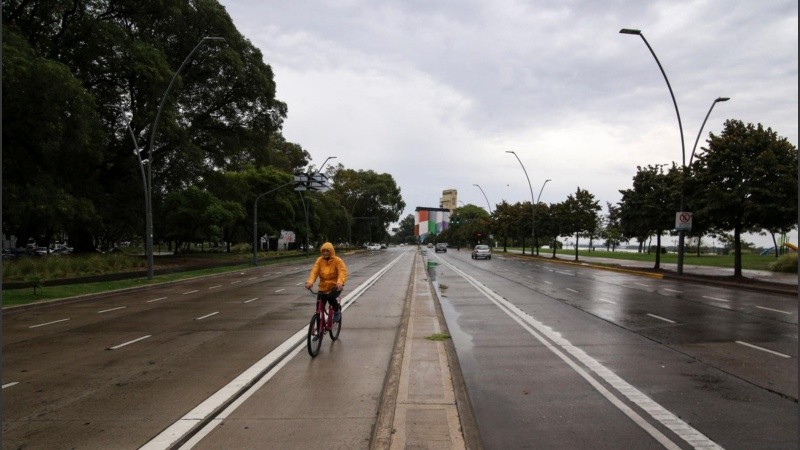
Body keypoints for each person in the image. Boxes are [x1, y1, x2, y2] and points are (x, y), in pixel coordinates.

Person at [304, 242, 348, 321]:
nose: (325, 253)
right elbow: (314, 272)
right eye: (323, 251)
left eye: (327, 251)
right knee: (318, 307)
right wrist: (310, 282)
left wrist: (339, 283)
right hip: (323, 286)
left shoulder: (337, 261)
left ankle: (337, 311)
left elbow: (342, 272)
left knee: (331, 297)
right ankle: (318, 328)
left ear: (331, 251)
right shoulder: (319, 260)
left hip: (335, 286)